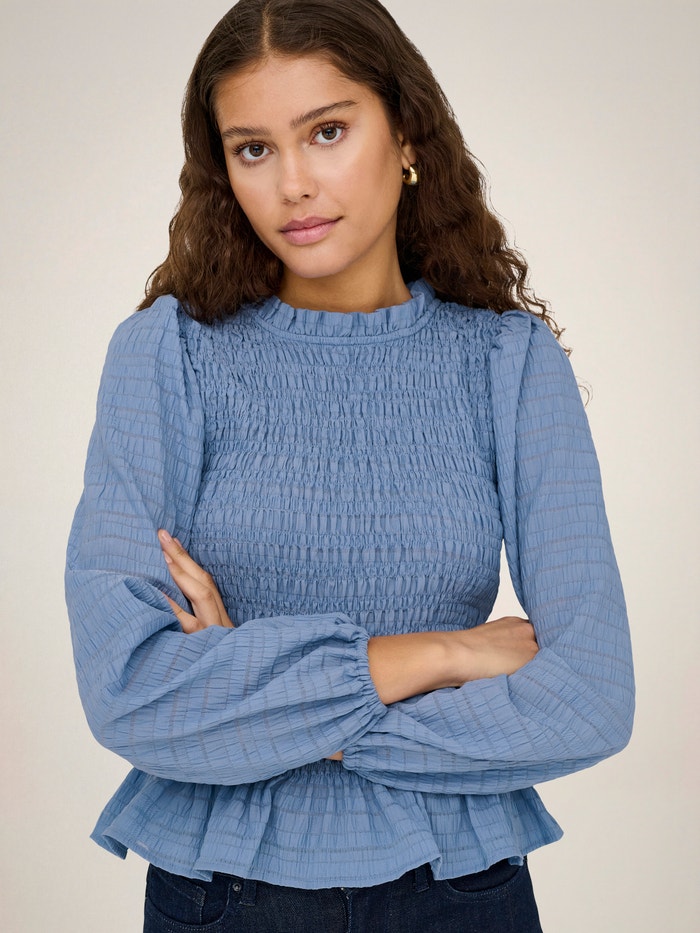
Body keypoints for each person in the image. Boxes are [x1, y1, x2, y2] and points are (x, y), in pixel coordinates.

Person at [65, 1, 635, 930]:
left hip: (461, 893)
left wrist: (265, 708)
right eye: (254, 149)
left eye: (327, 132)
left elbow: (590, 698)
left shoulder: (507, 363)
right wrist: (443, 653)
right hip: (222, 895)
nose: (293, 184)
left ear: (405, 132)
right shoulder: (167, 354)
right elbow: (129, 692)